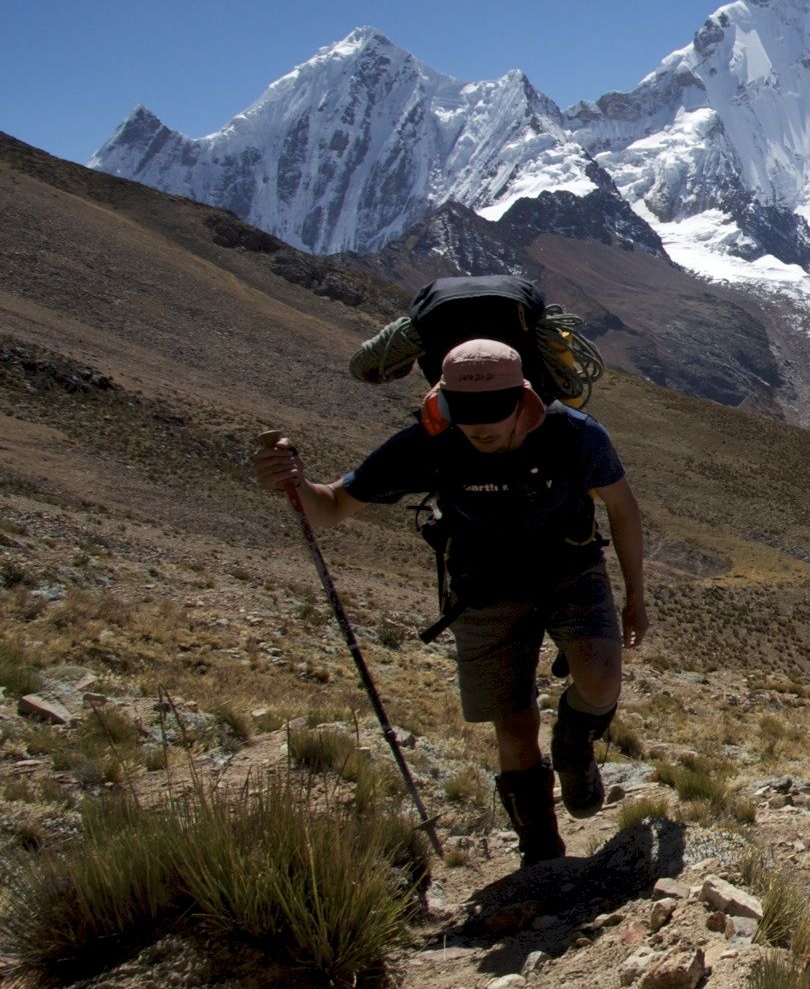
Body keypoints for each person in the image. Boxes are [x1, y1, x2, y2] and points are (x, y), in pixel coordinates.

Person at [255, 339, 646, 864]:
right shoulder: (427, 442)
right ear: (442, 403)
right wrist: (295, 483)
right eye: (466, 414)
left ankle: (574, 745)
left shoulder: (573, 435)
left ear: (524, 400)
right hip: (483, 586)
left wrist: (635, 598)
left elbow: (623, 508)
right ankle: (541, 853)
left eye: (493, 413)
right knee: (512, 720)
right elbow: (331, 507)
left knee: (600, 681)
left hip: (571, 571)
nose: (479, 427)